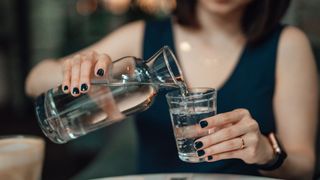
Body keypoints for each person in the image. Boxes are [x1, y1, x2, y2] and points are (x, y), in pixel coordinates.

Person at [25, 0, 318, 179]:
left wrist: (267, 152)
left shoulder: (288, 44)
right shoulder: (142, 36)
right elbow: (34, 80)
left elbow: (304, 167)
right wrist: (78, 70)